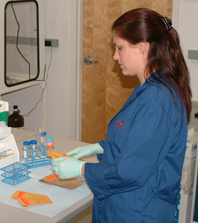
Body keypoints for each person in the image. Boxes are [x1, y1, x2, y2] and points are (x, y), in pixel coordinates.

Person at [52, 8, 192, 223]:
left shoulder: (157, 99)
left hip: (139, 209)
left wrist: (81, 169)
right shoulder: (149, 87)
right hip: (128, 204)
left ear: (143, 48)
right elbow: (140, 143)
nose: (115, 56)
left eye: (119, 48)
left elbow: (129, 172)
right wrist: (102, 147)